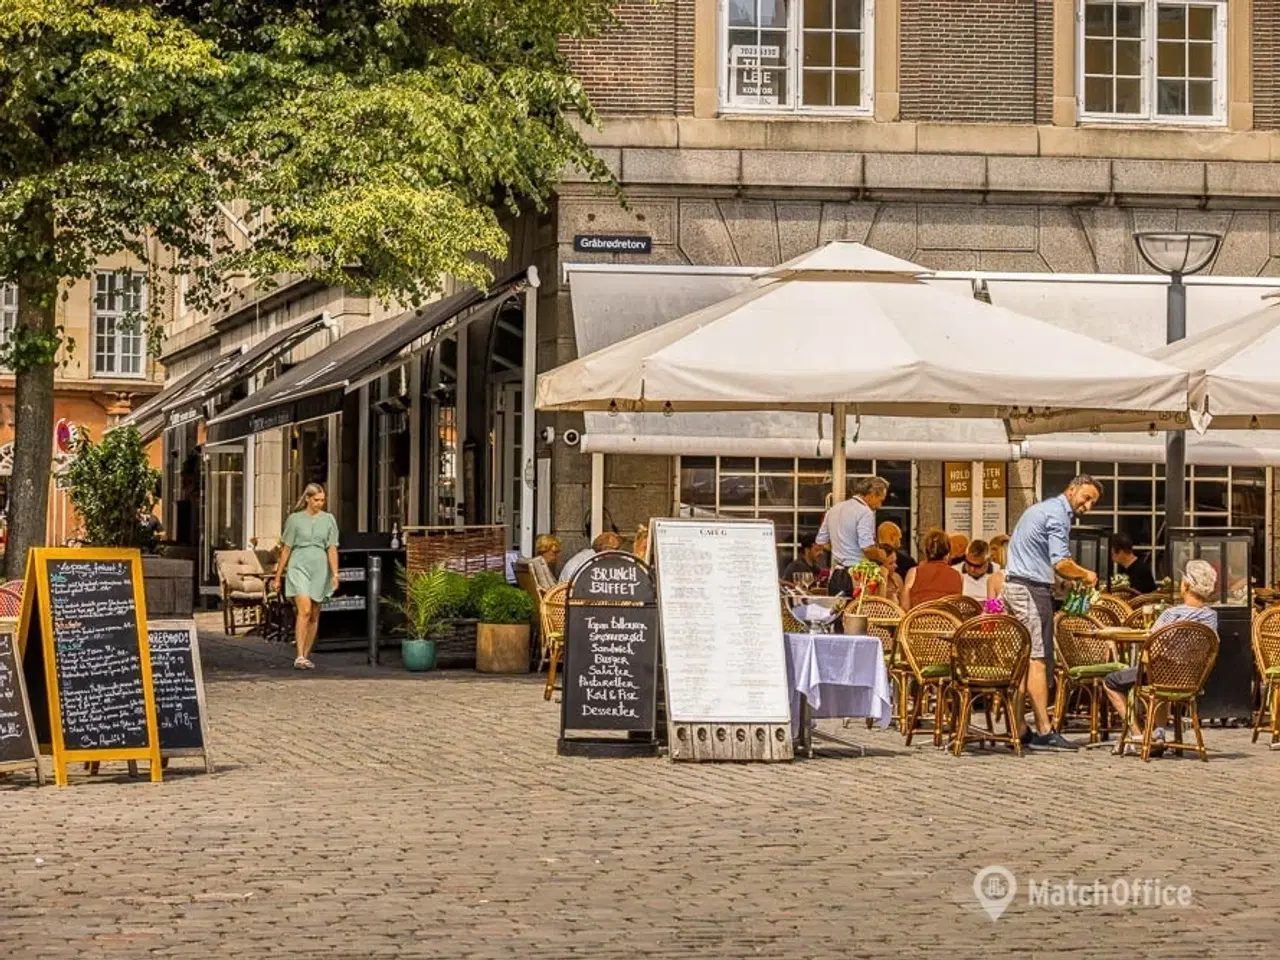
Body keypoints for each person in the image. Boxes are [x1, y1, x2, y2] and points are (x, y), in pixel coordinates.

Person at [1002, 475, 1103, 750]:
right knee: (1038, 659)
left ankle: (1019, 728)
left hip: (1016, 584)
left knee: (1024, 661)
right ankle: (1045, 730)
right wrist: (1085, 574)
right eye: (1086, 497)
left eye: (1093, 501)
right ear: (1071, 489)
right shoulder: (1058, 515)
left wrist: (1062, 581)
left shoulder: (1042, 509)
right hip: (1030, 590)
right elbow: (1061, 562)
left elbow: (1040, 558)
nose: (1089, 505)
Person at [1103, 560, 1219, 757]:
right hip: (1191, 678)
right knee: (1160, 676)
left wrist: (1144, 660)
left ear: (1186, 586)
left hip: (1161, 675)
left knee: (1111, 682)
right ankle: (1158, 733)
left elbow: (1152, 648)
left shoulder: (1170, 614)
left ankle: (1138, 735)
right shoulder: (1211, 617)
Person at [272, 483, 340, 671]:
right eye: (317, 500)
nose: (320, 503)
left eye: (323, 500)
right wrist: (278, 576)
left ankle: (306, 655)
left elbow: (332, 547)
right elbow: (286, 549)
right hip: (298, 565)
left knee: (315, 611)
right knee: (305, 609)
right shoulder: (295, 520)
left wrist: (335, 573)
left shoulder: (329, 520)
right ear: (308, 499)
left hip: (320, 567)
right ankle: (299, 655)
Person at [817, 476, 890, 598]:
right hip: (857, 576)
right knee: (858, 615)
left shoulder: (834, 509)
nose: (879, 506)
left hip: (835, 575)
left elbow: (822, 542)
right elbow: (867, 548)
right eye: (880, 500)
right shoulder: (865, 512)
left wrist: (842, 550)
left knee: (836, 615)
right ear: (871, 495)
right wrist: (882, 556)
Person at [900, 528, 962, 610]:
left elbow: (905, 606)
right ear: (948, 553)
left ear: (925, 551)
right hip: (947, 621)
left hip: (919, 620)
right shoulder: (958, 575)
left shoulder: (914, 572)